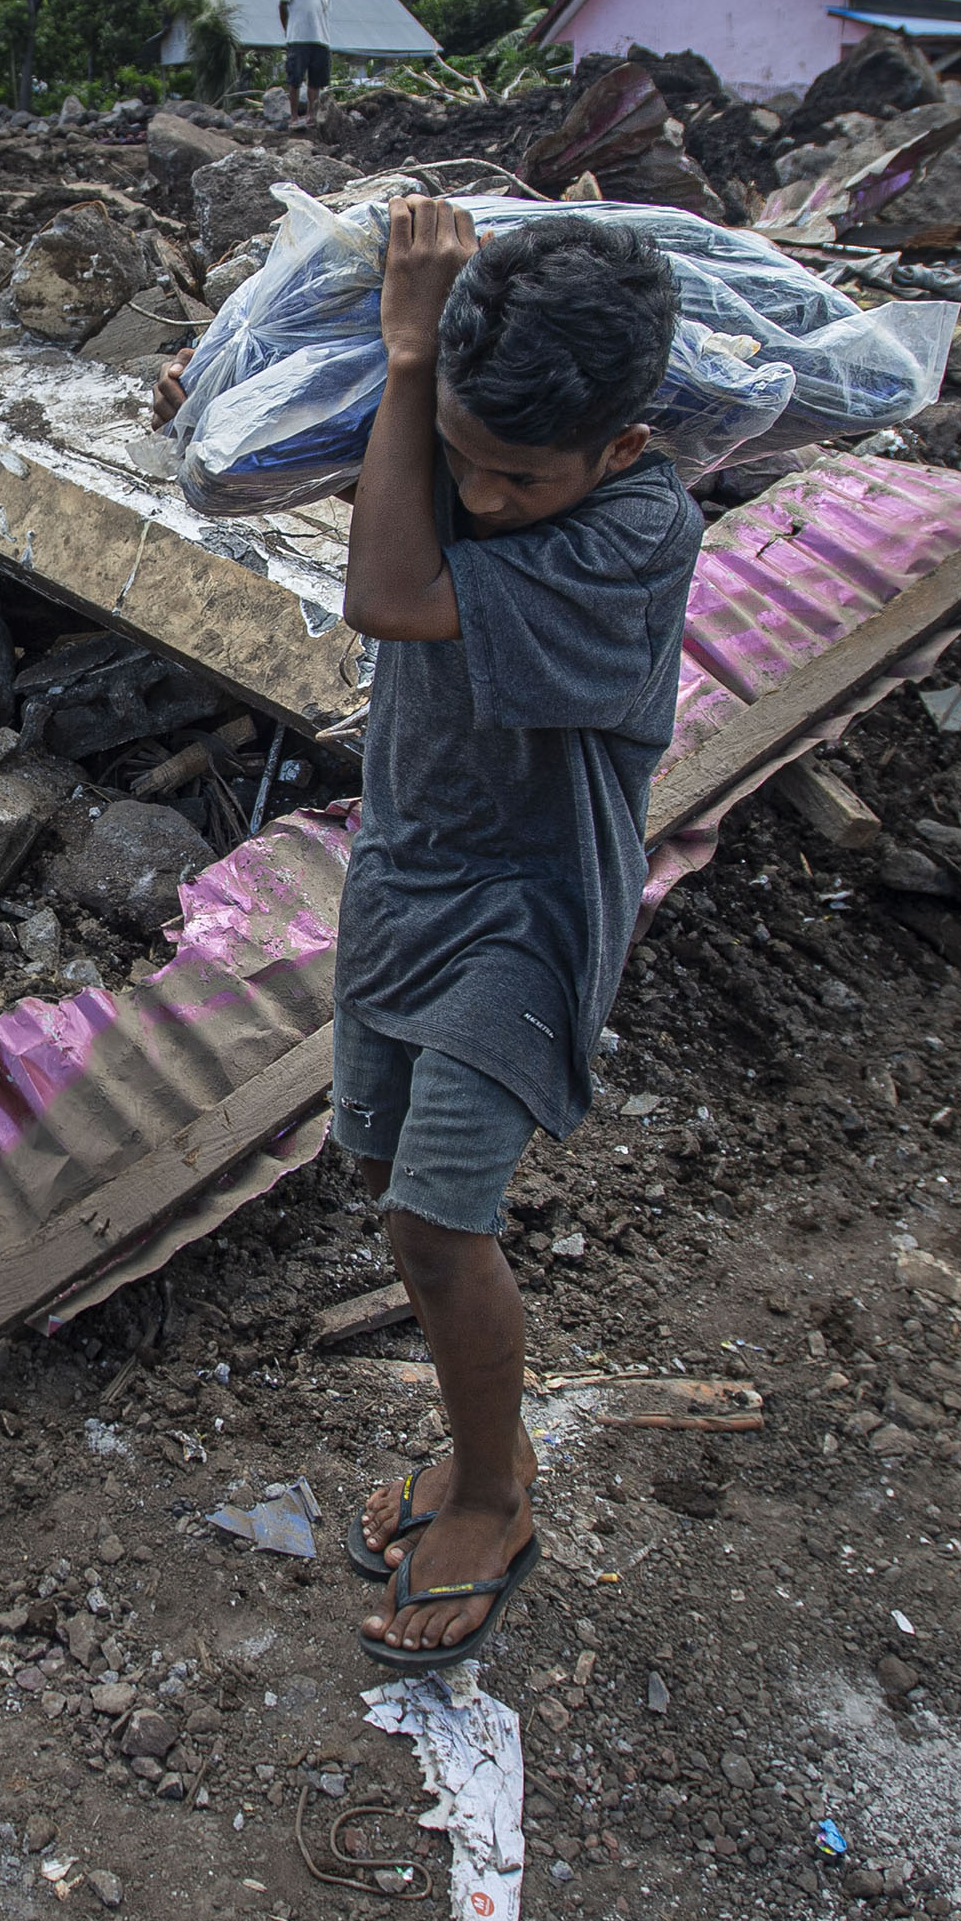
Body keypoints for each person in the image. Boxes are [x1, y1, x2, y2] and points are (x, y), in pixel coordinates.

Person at [322, 200, 700, 1669]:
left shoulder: (637, 528)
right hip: (408, 870)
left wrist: (410, 363)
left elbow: (387, 586)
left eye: (517, 475)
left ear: (620, 446)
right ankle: (476, 1443)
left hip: (526, 907)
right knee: (381, 1174)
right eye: (461, 460)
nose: (477, 494)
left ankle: (497, 1482)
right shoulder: (492, 454)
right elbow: (386, 491)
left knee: (436, 1218)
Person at [279, 0, 337, 122]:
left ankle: (312, 117)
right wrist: (288, 30)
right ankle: (294, 117)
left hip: (320, 37)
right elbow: (283, 4)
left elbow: (325, 9)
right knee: (295, 79)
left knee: (316, 81)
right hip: (298, 37)